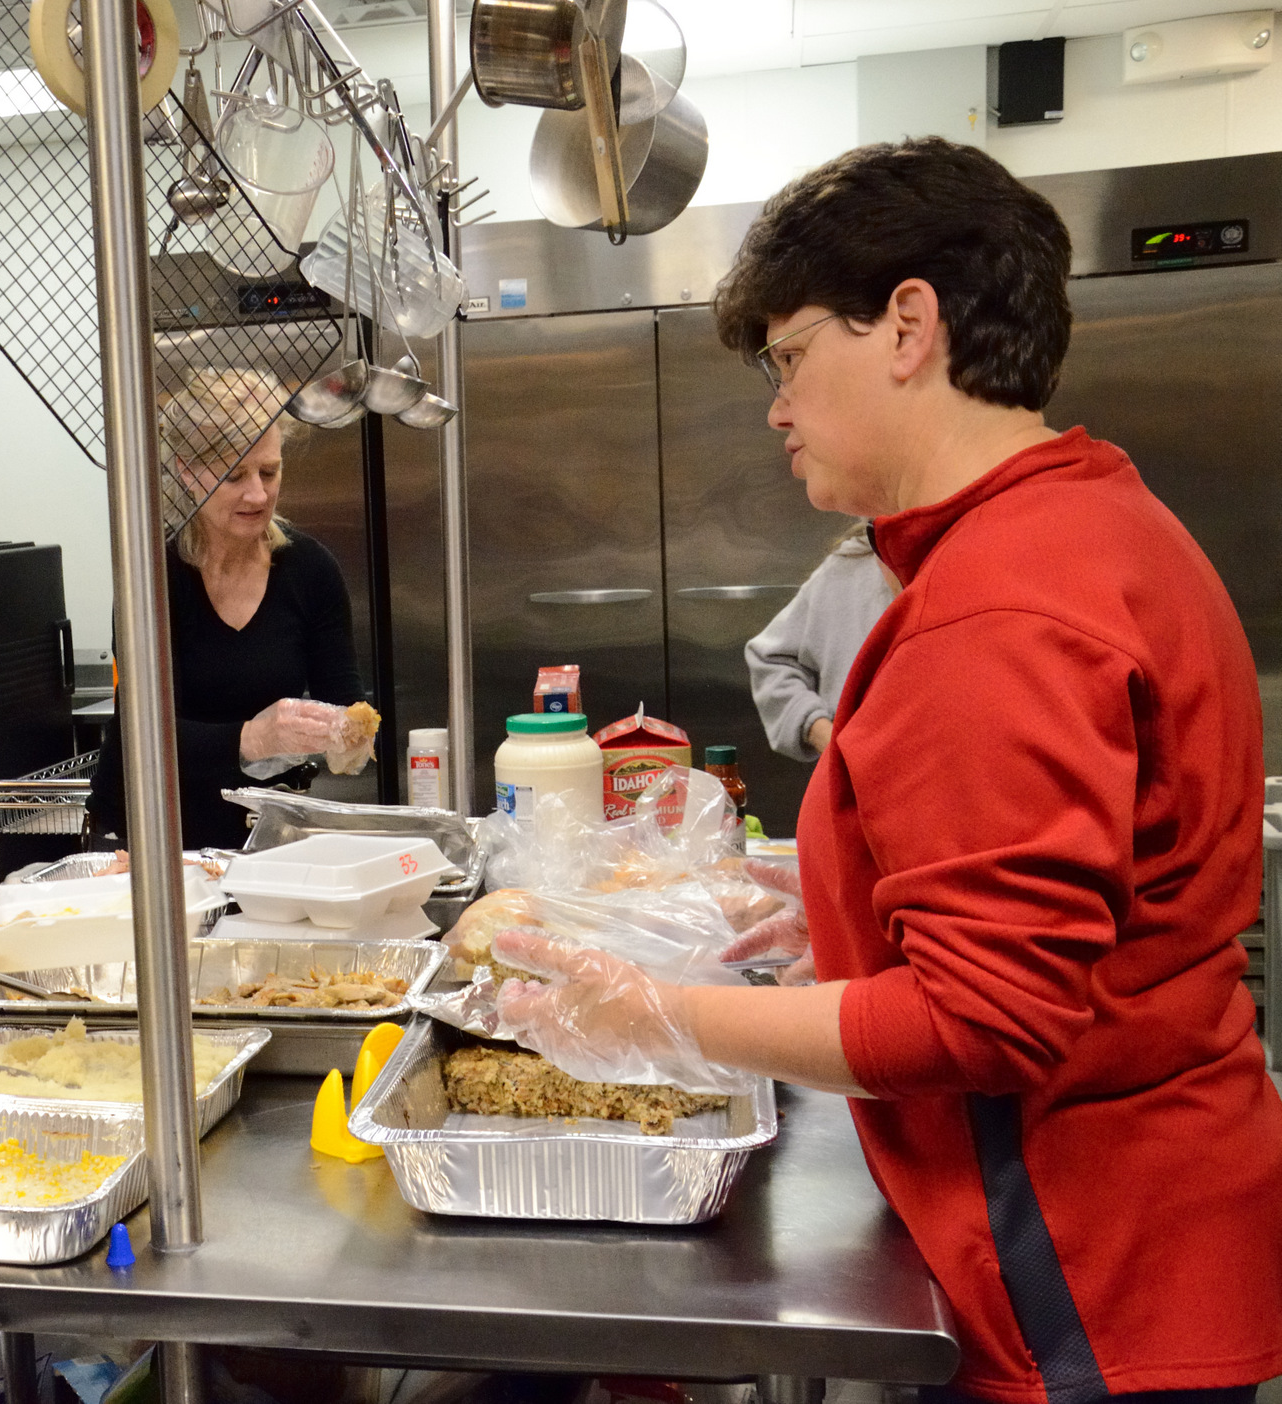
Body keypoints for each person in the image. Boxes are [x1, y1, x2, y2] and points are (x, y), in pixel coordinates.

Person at [488, 138, 1282, 1403]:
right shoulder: (1085, 521)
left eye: (788, 357)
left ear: (907, 326)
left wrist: (653, 1018)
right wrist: (847, 911)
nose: (776, 407)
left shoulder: (999, 608)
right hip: (1141, 1234)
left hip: (1081, 1275)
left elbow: (984, 1017)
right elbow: (1073, 900)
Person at [89, 369, 367, 850]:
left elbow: (345, 703)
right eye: (234, 475)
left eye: (269, 472)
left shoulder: (309, 570)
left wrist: (349, 735)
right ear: (185, 470)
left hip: (261, 837)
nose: (257, 494)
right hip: (151, 838)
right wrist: (254, 737)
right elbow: (145, 734)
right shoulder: (152, 581)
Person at [743, 520, 894, 761]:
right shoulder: (851, 565)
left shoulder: (953, 561)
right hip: (855, 777)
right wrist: (823, 735)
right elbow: (771, 661)